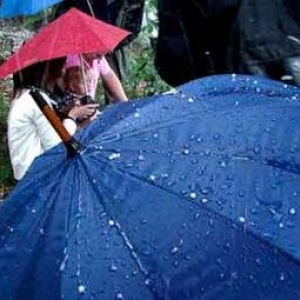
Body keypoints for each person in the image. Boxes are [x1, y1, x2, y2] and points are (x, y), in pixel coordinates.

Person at [7, 58, 98, 181]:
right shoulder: (35, 100)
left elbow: (48, 135)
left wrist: (81, 123)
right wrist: (72, 116)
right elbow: (56, 146)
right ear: (48, 67)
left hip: (31, 173)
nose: (64, 68)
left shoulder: (28, 95)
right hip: (36, 177)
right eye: (61, 63)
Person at [64, 53, 128, 103]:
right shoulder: (73, 60)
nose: (100, 59)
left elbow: (110, 77)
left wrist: (125, 102)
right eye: (98, 55)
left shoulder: (98, 58)